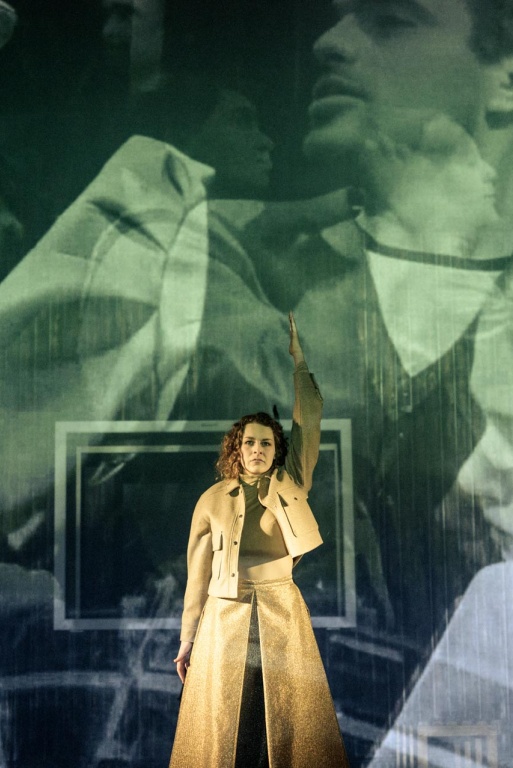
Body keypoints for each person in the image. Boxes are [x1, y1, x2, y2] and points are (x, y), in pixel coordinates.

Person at [169, 313, 349, 768]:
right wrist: (187, 640)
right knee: (227, 726)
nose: (257, 450)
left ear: (276, 449)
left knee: (285, 725)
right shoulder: (212, 500)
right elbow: (197, 577)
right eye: (250, 443)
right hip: (224, 613)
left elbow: (308, 419)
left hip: (280, 608)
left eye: (266, 444)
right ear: (237, 447)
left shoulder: (291, 483)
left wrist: (298, 360)